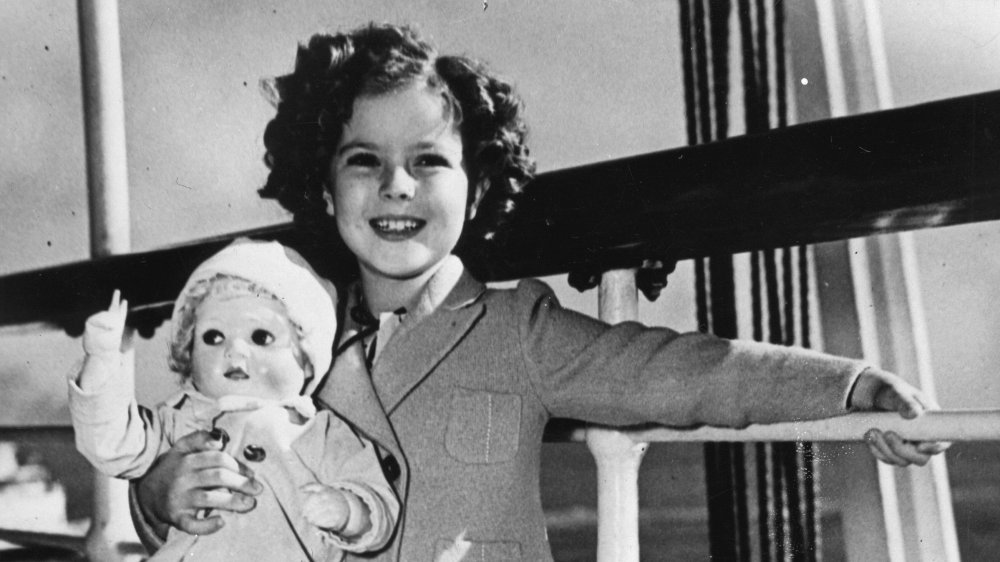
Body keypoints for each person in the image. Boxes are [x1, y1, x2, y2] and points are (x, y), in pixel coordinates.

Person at [132, 23, 947, 561]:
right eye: (363, 162)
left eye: (428, 161)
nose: (395, 188)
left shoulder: (516, 329)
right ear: (324, 187)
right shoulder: (280, 340)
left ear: (477, 187)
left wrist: (846, 387)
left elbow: (686, 371)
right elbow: (189, 445)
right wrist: (158, 494)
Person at [69, 239, 398, 561]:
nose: (234, 350)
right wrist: (100, 361)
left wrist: (348, 512)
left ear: (307, 359)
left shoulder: (319, 432)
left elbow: (378, 502)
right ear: (189, 353)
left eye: (260, 337)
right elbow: (109, 443)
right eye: (213, 337)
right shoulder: (179, 420)